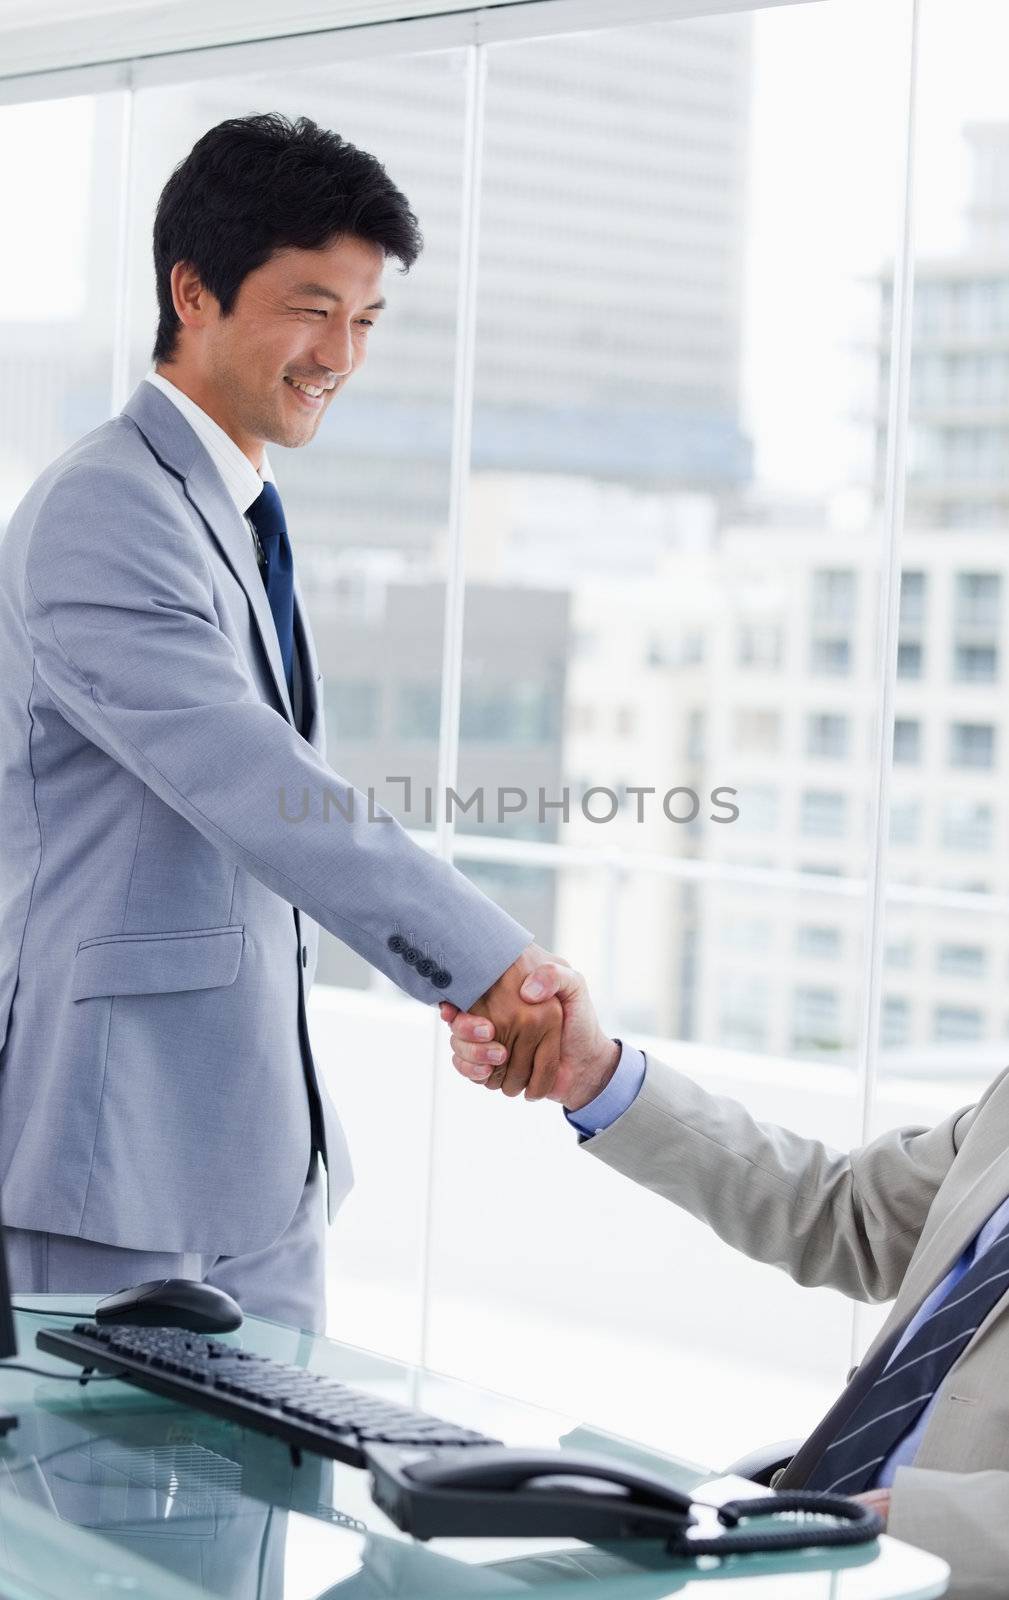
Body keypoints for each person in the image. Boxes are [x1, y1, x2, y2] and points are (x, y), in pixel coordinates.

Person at [0, 112, 563, 1333]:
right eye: (312, 308)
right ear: (191, 292)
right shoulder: (104, 508)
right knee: (81, 1517)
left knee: (267, 1504)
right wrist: (490, 964)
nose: (341, 354)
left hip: (250, 1148)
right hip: (112, 1154)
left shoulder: (231, 503)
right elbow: (260, 785)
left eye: (365, 319)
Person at [441, 960, 1009, 1596]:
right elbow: (847, 1215)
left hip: (916, 1571)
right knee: (442, 1579)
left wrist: (914, 1526)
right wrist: (596, 1074)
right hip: (794, 1535)